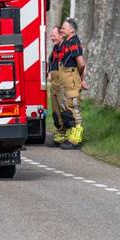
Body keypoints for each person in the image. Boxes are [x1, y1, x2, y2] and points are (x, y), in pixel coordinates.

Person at [58, 18, 87, 148]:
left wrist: (80, 78)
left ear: (72, 30)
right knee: (68, 108)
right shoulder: (67, 42)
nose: (61, 30)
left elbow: (81, 63)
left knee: (73, 107)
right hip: (67, 78)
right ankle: (71, 136)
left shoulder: (73, 41)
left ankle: (76, 139)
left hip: (71, 78)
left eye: (64, 28)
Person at [47, 26, 68, 145]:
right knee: (56, 110)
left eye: (54, 35)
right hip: (54, 82)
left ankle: (67, 132)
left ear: (61, 35)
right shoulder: (55, 49)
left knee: (64, 107)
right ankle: (60, 132)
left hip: (62, 82)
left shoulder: (66, 47)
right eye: (51, 35)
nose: (52, 37)